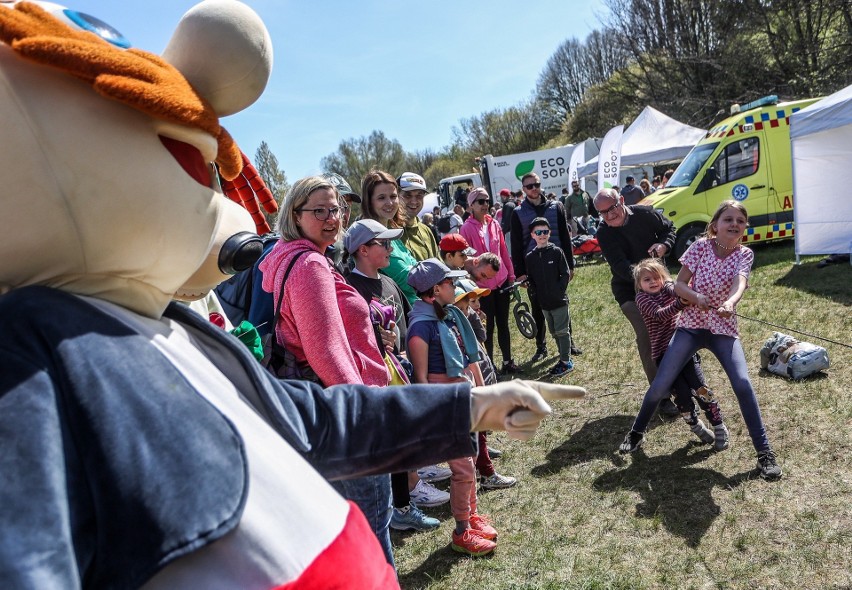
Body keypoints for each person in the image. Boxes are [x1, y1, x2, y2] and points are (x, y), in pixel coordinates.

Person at [259, 176, 397, 563]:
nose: (331, 218)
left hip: (325, 414)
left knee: (354, 536)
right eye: (318, 210)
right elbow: (326, 353)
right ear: (295, 215)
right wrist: (364, 413)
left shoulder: (291, 258)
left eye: (335, 209)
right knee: (373, 534)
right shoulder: (310, 265)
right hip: (348, 418)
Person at [619, 201, 782, 480]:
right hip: (691, 326)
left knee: (742, 384)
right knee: (659, 385)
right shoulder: (698, 247)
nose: (734, 225)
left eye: (740, 221)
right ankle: (636, 432)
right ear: (715, 225)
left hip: (722, 327)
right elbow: (679, 283)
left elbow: (740, 282)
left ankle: (765, 454)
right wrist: (695, 298)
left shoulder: (744, 254)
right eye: (728, 219)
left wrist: (730, 302)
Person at [342, 220, 446, 533]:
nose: (391, 249)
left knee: (408, 435)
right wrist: (378, 342)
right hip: (377, 378)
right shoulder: (351, 289)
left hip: (400, 369)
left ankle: (412, 485)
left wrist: (398, 345)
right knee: (395, 443)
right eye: (383, 244)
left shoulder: (387, 281)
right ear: (362, 250)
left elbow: (401, 323)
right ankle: (400, 507)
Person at [406, 259, 499, 556]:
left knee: (469, 461)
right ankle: (461, 532)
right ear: (435, 289)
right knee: (461, 469)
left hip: (462, 396)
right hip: (444, 403)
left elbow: (465, 360)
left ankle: (470, 516)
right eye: (450, 283)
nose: (456, 287)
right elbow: (421, 378)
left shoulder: (448, 317)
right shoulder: (421, 328)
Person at [592, 187, 680, 416]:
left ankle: (684, 383)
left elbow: (669, 229)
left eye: (611, 208)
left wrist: (664, 245)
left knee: (676, 332)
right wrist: (646, 280)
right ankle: (661, 395)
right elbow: (620, 267)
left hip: (661, 284)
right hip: (629, 292)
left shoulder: (644, 214)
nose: (609, 216)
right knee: (648, 334)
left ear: (621, 201)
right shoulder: (604, 233)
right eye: (603, 213)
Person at [632, 258, 728, 449]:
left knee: (701, 388)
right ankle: (696, 426)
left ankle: (719, 426)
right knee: (682, 395)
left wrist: (683, 293)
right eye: (646, 279)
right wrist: (681, 303)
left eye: (656, 277)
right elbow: (660, 314)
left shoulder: (667, 288)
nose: (652, 282)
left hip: (684, 349)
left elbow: (673, 288)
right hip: (663, 355)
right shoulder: (642, 299)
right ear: (639, 284)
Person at [454, 279, 518, 490]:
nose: (472, 308)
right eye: (467, 305)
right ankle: (486, 472)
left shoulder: (466, 320)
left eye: (471, 304)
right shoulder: (453, 327)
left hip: (474, 380)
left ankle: (482, 462)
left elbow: (481, 338)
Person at [510, 171, 580, 362]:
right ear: (523, 190)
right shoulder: (518, 213)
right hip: (533, 266)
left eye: (536, 184)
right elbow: (516, 245)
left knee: (561, 302)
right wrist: (520, 273)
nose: (534, 189)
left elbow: (566, 238)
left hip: (555, 263)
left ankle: (569, 342)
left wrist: (570, 264)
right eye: (529, 186)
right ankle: (541, 347)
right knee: (537, 306)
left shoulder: (556, 206)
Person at [460, 187, 522, 374]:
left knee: (503, 323)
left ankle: (508, 361)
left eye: (487, 201)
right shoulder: (466, 228)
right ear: (471, 205)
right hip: (481, 286)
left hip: (501, 281)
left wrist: (511, 276)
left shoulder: (494, 223)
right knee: (487, 325)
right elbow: (465, 260)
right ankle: (490, 365)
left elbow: (503, 251)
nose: (485, 205)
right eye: (480, 201)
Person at [360, 169, 420, 305]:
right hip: (403, 315)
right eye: (381, 198)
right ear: (369, 202)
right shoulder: (371, 238)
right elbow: (409, 281)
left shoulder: (393, 233)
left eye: (393, 196)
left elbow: (416, 266)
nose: (390, 203)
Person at [524, 218, 574, 376]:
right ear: (533, 235)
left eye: (545, 232)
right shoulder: (530, 257)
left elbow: (565, 274)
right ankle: (563, 356)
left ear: (549, 233)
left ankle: (566, 362)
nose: (542, 235)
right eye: (538, 232)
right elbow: (531, 278)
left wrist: (559, 290)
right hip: (544, 303)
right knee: (553, 331)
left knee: (562, 331)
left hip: (559, 300)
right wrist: (533, 291)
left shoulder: (556, 252)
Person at [397, 172, 439, 261]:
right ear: (396, 196)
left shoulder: (426, 230)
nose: (414, 201)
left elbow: (439, 265)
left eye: (419, 195)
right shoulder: (389, 231)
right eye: (407, 195)